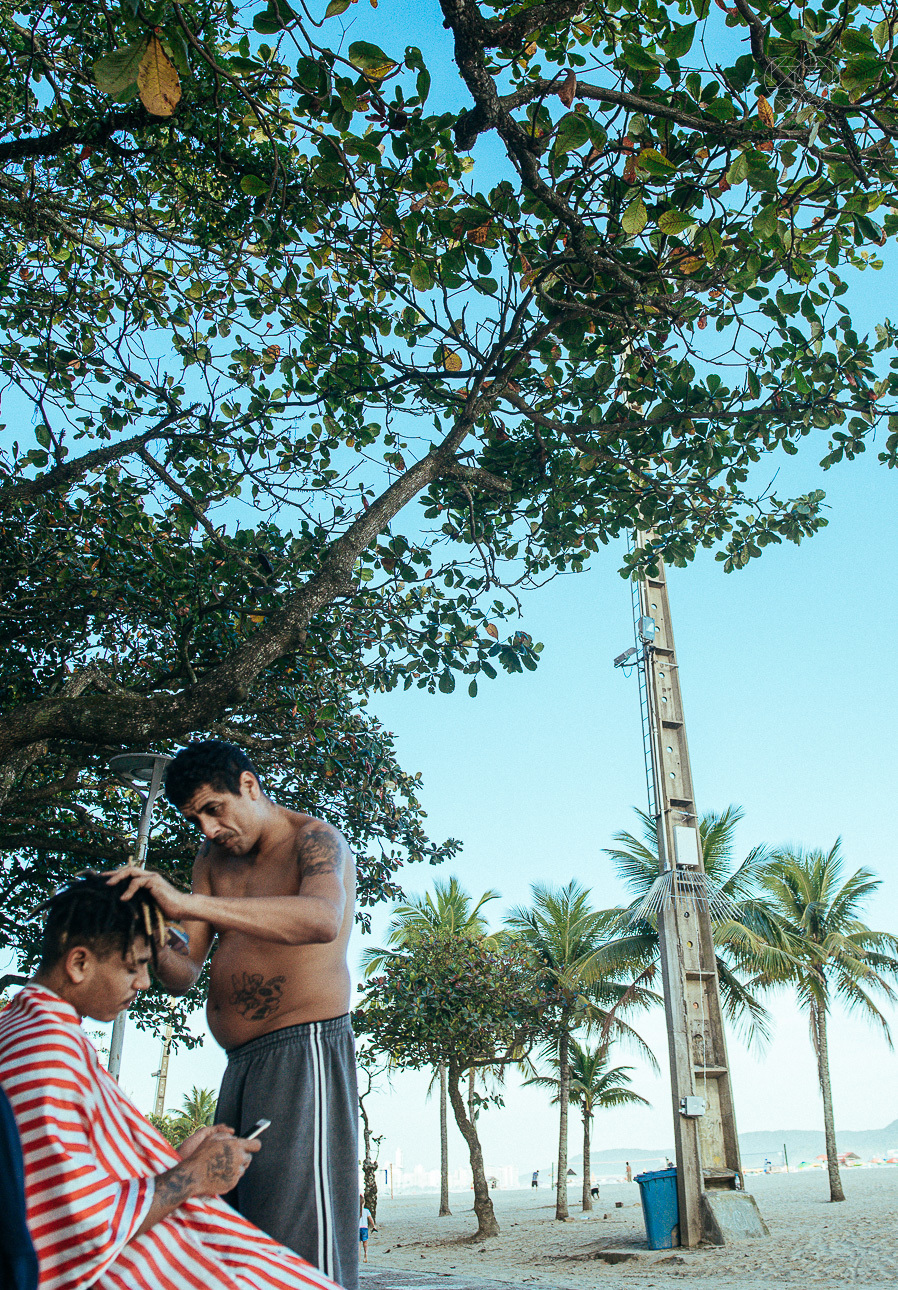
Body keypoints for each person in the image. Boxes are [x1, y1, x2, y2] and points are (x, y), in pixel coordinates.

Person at [0, 873, 340, 1290]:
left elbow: (70, 1177)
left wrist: (170, 1161)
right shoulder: (48, 1052)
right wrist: (191, 1177)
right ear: (79, 963)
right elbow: (79, 1226)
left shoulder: (19, 1029)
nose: (144, 983)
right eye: (133, 967)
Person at [105, 740, 359, 1290]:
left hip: (303, 1052)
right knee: (241, 1240)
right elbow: (184, 970)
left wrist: (188, 904)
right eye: (195, 817)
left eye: (213, 809)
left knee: (301, 1247)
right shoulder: (210, 861)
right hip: (239, 1064)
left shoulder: (313, 839)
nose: (207, 828)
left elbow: (321, 918)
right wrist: (148, 930)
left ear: (248, 784)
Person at [358, 1197, 376, 1264]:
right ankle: (365, 1255)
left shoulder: (356, 1211)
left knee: (358, 1243)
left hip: (358, 1228)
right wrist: (374, 1226)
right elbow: (370, 1219)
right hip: (364, 1228)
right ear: (364, 1203)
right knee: (365, 1243)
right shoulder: (366, 1210)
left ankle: (358, 1257)